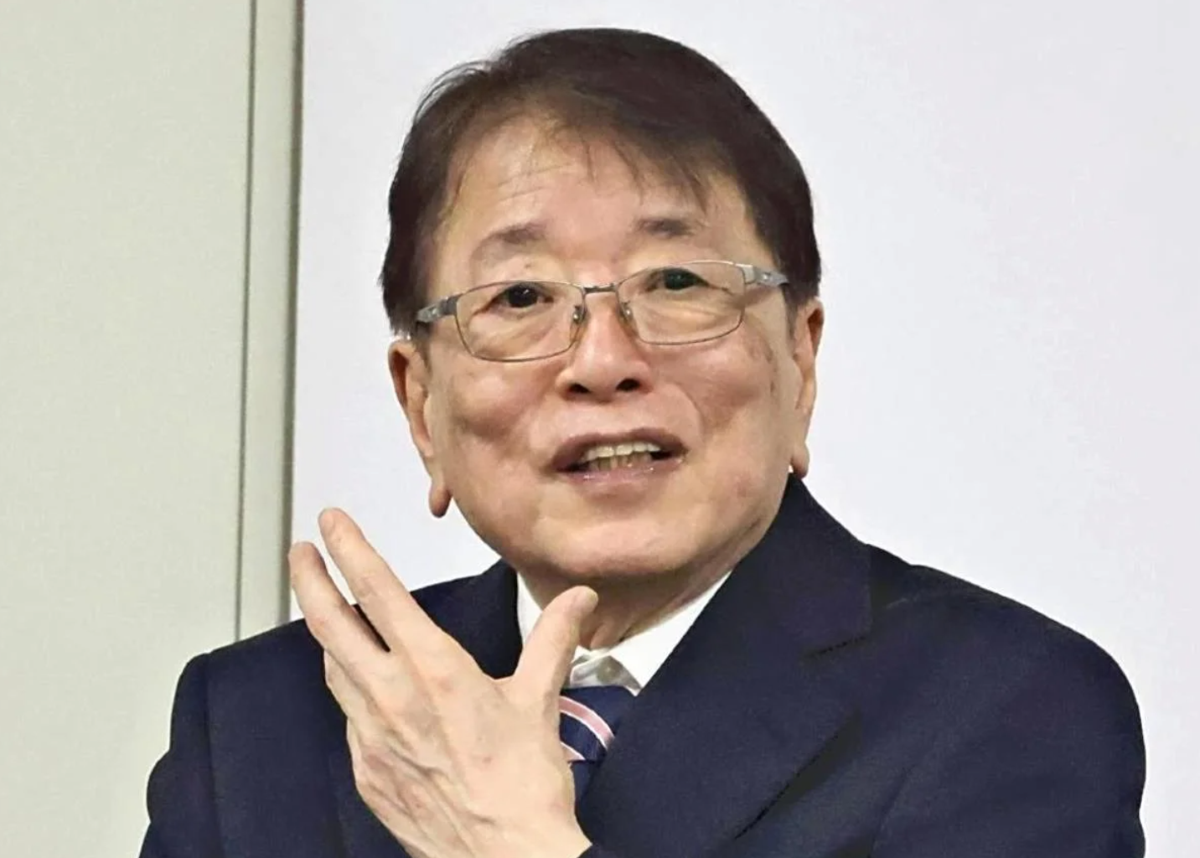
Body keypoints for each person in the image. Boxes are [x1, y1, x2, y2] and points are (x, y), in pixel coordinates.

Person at [140, 27, 1145, 858]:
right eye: (520, 298)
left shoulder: (1009, 708)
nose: (602, 361)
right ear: (420, 405)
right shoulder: (258, 727)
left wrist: (510, 843)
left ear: (800, 360)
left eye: (676, 284)